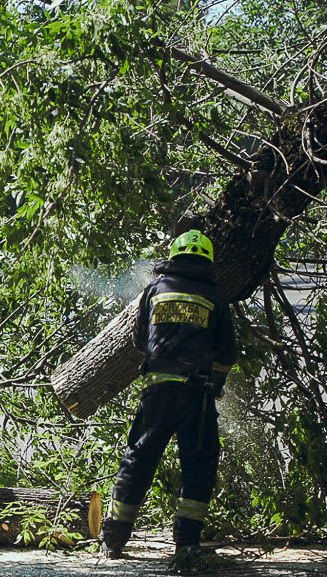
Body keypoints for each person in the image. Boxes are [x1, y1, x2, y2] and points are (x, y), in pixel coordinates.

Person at [101, 229, 238, 559]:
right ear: (207, 261)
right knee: (199, 463)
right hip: (197, 395)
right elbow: (228, 353)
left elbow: (138, 340)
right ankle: (187, 544)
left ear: (174, 257)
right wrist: (216, 382)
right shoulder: (214, 295)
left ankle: (115, 538)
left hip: (157, 392)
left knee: (139, 457)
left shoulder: (155, 289)